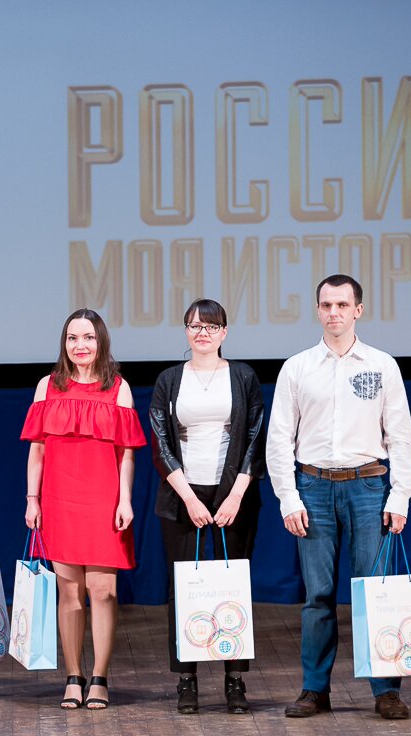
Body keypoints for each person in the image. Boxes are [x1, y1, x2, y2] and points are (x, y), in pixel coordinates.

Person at [266, 274, 411, 721]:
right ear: (318, 310)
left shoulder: (382, 365)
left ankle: (386, 690)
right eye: (327, 305)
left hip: (368, 487)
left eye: (342, 305)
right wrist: (288, 498)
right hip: (313, 488)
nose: (334, 312)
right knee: (318, 595)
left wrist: (400, 497)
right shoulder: (297, 368)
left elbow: (401, 437)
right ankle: (315, 689)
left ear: (358, 310)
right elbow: (279, 440)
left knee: (374, 591)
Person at [21, 308, 145, 710]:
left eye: (88, 337)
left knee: (103, 591)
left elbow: (127, 454)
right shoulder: (47, 386)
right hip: (60, 499)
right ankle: (73, 676)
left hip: (104, 500)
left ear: (101, 341)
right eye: (72, 338)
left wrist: (125, 499)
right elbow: (37, 451)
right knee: (70, 592)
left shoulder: (118, 388)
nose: (80, 345)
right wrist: (33, 499)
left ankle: (100, 678)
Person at [148, 299, 266, 714]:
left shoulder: (243, 376)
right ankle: (187, 680)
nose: (202, 333)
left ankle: (235, 680)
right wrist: (189, 497)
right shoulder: (169, 379)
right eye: (195, 326)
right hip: (183, 495)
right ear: (186, 331)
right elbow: (160, 443)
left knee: (234, 588)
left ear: (224, 332)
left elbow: (255, 437)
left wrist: (235, 494)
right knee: (183, 590)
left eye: (211, 326)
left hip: (234, 494)